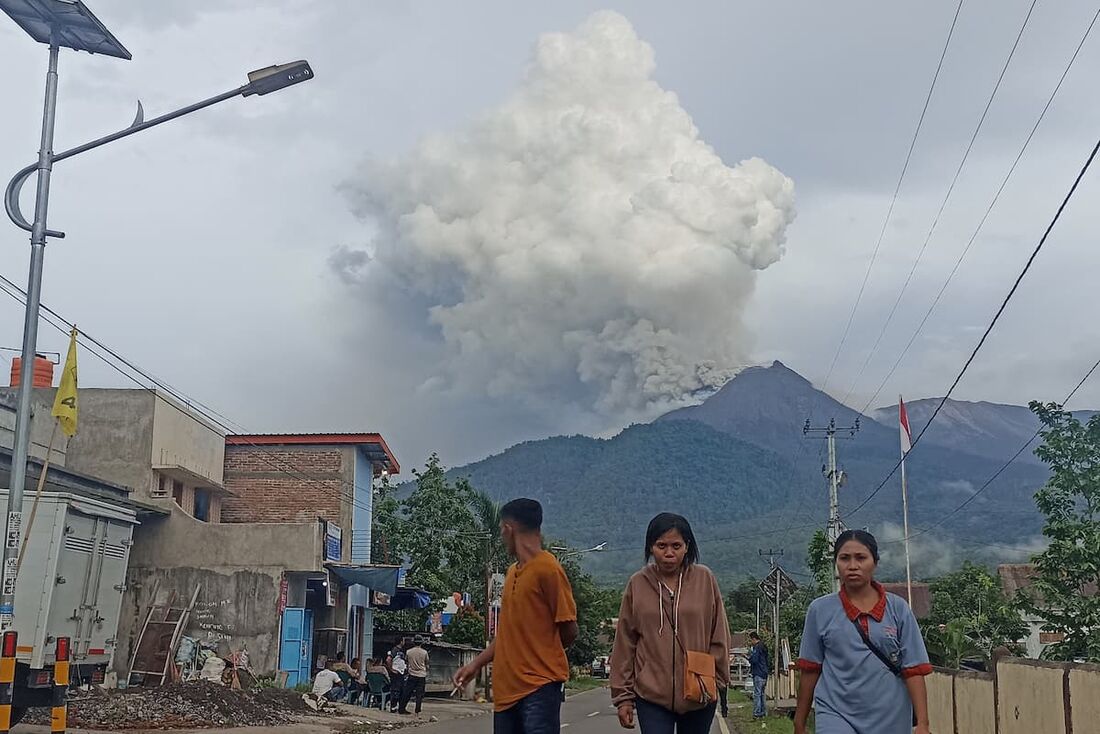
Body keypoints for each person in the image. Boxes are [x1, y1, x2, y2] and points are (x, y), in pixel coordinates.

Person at [453, 498, 578, 734]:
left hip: (540, 688)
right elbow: (508, 636)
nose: (502, 537)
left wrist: (539, 654)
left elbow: (569, 629)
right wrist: (475, 664)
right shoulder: (512, 573)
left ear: (508, 529)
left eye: (501, 530)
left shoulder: (548, 569)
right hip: (507, 692)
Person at [793, 530, 932, 734]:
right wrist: (800, 721)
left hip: (891, 715)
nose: (852, 566)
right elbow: (811, 669)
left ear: (874, 562)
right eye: (844, 558)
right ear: (836, 563)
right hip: (836, 713)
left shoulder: (899, 609)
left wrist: (923, 724)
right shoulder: (819, 610)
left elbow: (913, 670)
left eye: (861, 558)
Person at [611, 512, 731, 733]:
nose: (668, 553)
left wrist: (717, 680)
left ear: (687, 547)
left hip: (699, 692)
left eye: (676, 546)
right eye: (661, 545)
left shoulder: (705, 580)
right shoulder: (637, 584)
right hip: (651, 695)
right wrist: (623, 697)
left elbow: (719, 633)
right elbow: (625, 643)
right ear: (650, 547)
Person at [400, 636, 430, 716]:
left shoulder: (408, 652)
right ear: (421, 643)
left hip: (412, 674)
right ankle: (417, 711)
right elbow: (427, 664)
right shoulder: (424, 652)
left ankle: (401, 709)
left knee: (407, 692)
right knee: (419, 694)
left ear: (413, 642)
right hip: (421, 675)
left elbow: (406, 662)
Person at [748, 631, 769, 719]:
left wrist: (750, 658)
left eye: (751, 640)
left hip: (758, 672)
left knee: (757, 693)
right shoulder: (764, 646)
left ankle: (757, 713)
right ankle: (763, 712)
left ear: (754, 639)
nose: (751, 642)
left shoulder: (757, 647)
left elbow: (755, 660)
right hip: (764, 672)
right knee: (762, 694)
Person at [386, 640, 409, 713]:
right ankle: (393, 707)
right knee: (396, 690)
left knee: (402, 691)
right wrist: (391, 669)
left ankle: (400, 708)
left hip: (401, 673)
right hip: (396, 673)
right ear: (401, 641)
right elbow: (388, 660)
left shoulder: (401, 651)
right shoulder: (394, 650)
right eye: (403, 640)